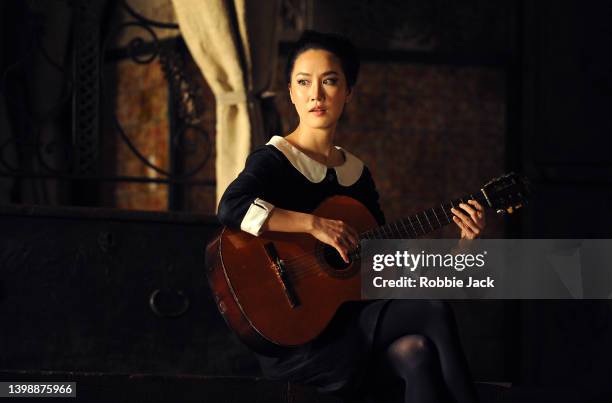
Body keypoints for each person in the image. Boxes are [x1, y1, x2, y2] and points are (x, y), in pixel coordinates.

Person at [217, 30, 486, 403]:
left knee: (416, 351)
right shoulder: (275, 159)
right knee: (433, 311)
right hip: (298, 336)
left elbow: (385, 263)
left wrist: (462, 248)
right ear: (291, 93)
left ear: (348, 92)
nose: (316, 94)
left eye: (329, 81)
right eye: (303, 82)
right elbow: (230, 207)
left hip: (351, 322)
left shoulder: (356, 174)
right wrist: (314, 224)